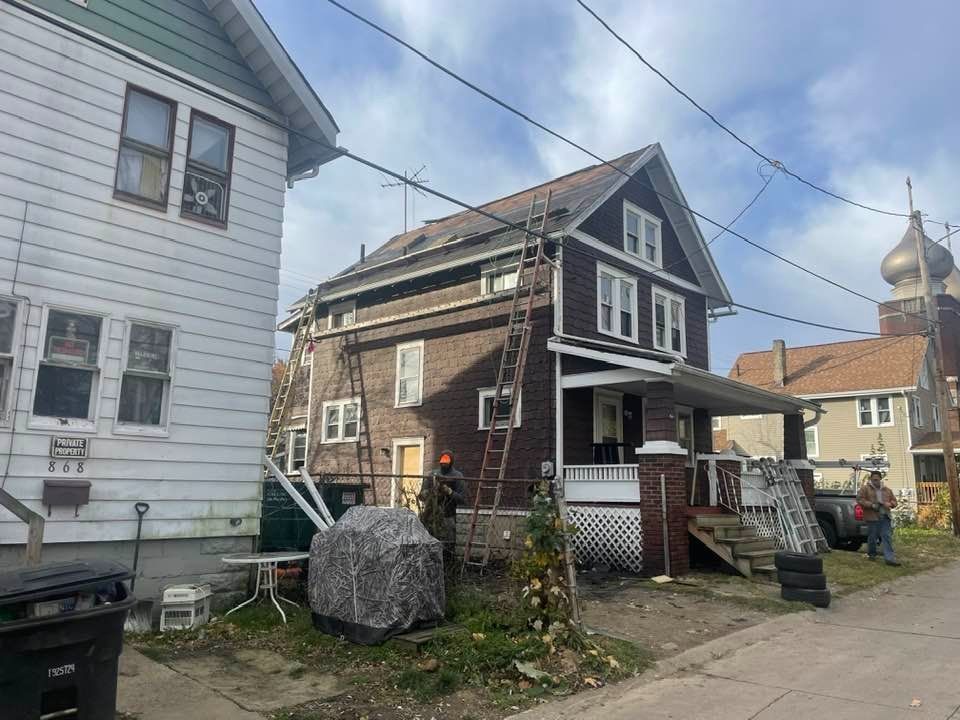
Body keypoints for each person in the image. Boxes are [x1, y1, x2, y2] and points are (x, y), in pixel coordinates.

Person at [419, 450, 466, 564]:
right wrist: (428, 492)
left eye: (447, 461)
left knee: (448, 544)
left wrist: (449, 491)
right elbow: (421, 496)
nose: (444, 464)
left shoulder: (457, 476)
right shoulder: (432, 475)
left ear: (451, 462)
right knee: (429, 542)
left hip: (448, 516)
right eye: (442, 461)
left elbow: (462, 499)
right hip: (431, 517)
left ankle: (448, 567)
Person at [857, 470, 901, 566]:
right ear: (870, 479)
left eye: (877, 480)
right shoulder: (865, 489)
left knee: (887, 537)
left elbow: (895, 502)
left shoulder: (887, 490)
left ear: (880, 479)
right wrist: (871, 505)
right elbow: (859, 499)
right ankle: (872, 554)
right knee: (873, 537)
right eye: (873, 480)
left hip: (885, 516)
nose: (875, 481)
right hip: (872, 516)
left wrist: (890, 504)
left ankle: (889, 559)